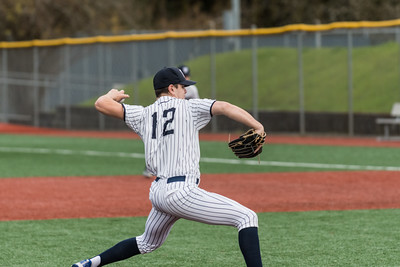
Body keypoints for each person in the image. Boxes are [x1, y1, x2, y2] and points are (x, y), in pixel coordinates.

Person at [72, 67, 265, 267]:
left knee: (148, 242)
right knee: (247, 217)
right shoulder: (190, 108)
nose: (186, 92)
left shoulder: (143, 113)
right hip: (181, 192)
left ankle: (89, 263)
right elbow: (224, 107)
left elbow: (101, 104)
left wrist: (112, 95)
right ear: (172, 88)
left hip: (158, 192)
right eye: (183, 87)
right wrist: (258, 126)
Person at [142, 64, 199, 178]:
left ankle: (181, 166)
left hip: (183, 121)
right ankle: (154, 166)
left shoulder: (191, 90)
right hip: (168, 119)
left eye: (187, 76)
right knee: (161, 142)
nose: (186, 79)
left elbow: (197, 105)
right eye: (184, 76)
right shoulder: (171, 92)